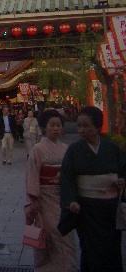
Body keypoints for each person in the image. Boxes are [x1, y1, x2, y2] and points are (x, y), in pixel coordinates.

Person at [60, 106, 126, 272]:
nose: (81, 130)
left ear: (97, 127)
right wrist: (71, 200)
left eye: (86, 126)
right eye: (79, 126)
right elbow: (67, 177)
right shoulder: (74, 150)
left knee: (112, 248)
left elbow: (123, 170)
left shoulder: (112, 148)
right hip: (87, 208)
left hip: (109, 208)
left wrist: (122, 181)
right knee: (90, 248)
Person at [25, 109, 76, 272]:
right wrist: (33, 200)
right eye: (52, 125)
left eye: (58, 125)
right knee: (49, 234)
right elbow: (32, 176)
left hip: (63, 197)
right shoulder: (37, 150)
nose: (55, 128)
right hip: (44, 199)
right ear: (44, 127)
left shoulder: (66, 149)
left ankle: (67, 267)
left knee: (66, 236)